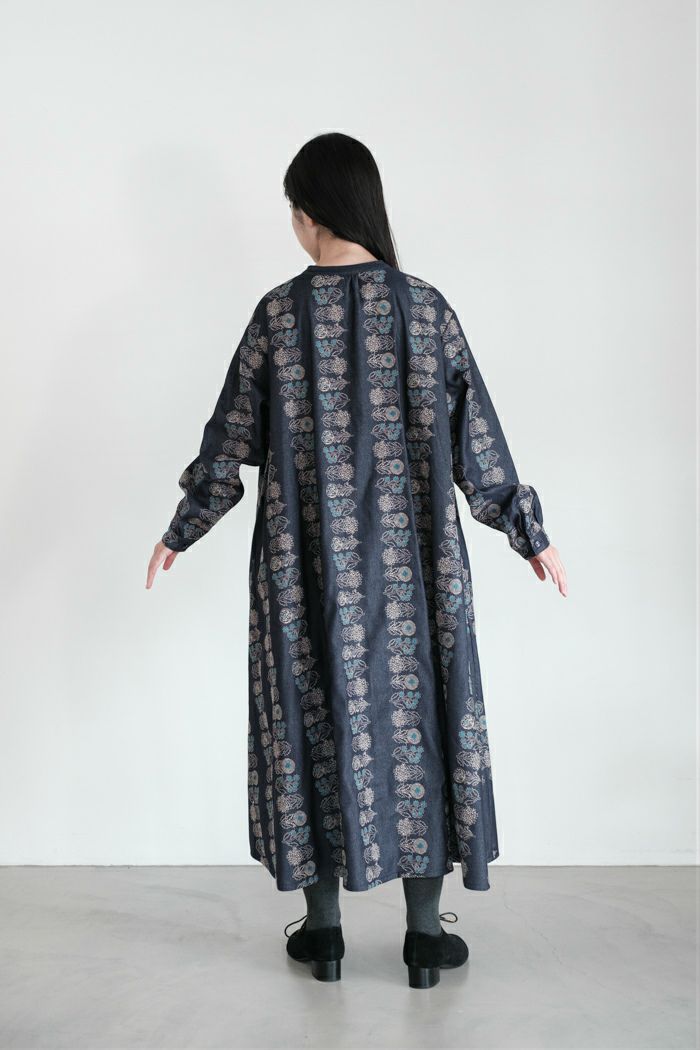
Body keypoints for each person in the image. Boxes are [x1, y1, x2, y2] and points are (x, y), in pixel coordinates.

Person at [146, 132, 567, 989]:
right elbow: (479, 441)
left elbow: (227, 448)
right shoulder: (427, 310)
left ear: (309, 214)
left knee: (308, 723)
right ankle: (424, 939)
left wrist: (180, 530)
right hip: (419, 576)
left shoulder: (277, 316)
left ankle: (325, 933)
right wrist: (531, 533)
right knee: (423, 723)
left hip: (302, 574)